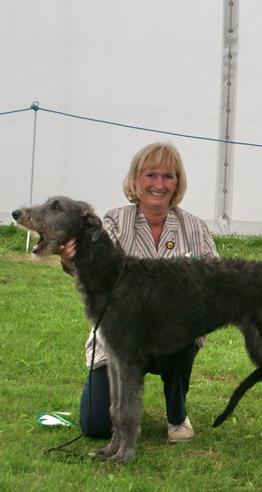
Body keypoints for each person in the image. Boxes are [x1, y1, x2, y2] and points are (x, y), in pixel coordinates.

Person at [72, 142, 218, 442]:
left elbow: (214, 284)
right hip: (118, 339)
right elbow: (93, 270)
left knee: (179, 328)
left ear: (177, 183)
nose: (159, 184)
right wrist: (70, 256)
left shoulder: (194, 227)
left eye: (168, 177)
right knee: (96, 427)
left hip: (172, 338)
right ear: (136, 179)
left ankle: (176, 414)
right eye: (151, 175)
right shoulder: (114, 222)